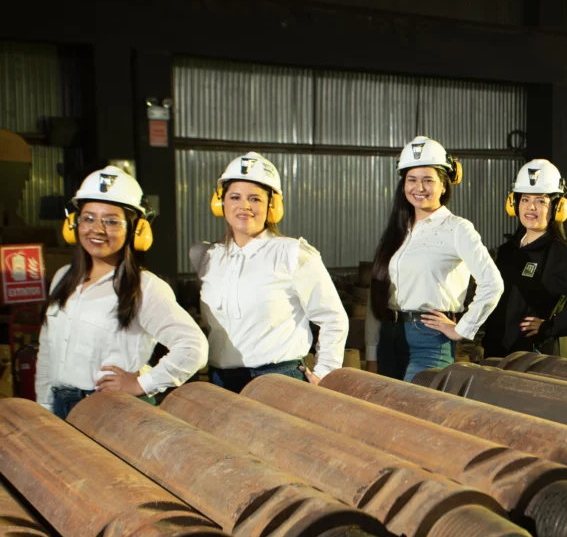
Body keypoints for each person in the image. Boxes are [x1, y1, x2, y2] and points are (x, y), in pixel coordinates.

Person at [36, 166, 208, 419]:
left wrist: (142, 384)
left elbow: (193, 347)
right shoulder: (63, 278)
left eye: (111, 221)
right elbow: (48, 349)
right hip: (60, 404)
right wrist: (44, 407)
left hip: (111, 411)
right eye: (89, 218)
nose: (97, 229)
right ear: (74, 223)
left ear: (136, 230)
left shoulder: (144, 287)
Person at [191, 152, 348, 393]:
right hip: (221, 382)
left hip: (279, 381)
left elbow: (333, 318)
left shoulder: (292, 254)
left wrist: (324, 373)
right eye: (235, 197)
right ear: (220, 202)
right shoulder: (207, 256)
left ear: (272, 206)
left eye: (255, 199)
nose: (244, 206)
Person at [366, 136, 503, 381]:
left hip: (428, 337)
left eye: (428, 180)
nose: (419, 188)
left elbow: (493, 283)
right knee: (390, 414)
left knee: (417, 411)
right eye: (412, 180)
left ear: (444, 184)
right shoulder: (400, 230)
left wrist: (462, 329)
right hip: (391, 334)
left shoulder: (457, 228)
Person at [483, 159, 567, 358]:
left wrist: (550, 327)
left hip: (540, 362)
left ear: (557, 207)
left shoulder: (562, 254)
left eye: (541, 201)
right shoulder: (506, 252)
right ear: (514, 204)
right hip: (500, 358)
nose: (531, 208)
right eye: (525, 199)